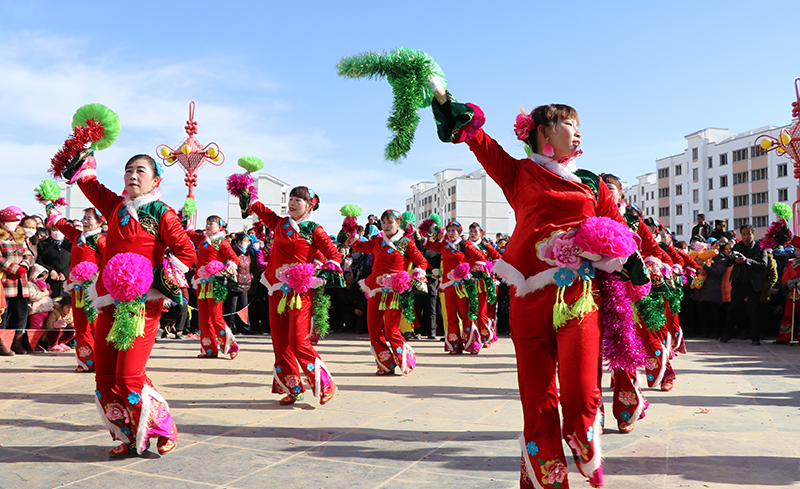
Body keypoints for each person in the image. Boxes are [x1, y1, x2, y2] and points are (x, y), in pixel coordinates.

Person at [431, 92, 642, 487]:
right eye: (569, 125)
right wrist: (443, 95)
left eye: (580, 127)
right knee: (537, 393)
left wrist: (634, 270)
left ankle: (582, 437)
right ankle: (547, 475)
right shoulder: (518, 173)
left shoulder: (593, 183)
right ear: (544, 131)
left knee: (580, 391)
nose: (578, 133)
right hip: (528, 292)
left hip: (577, 295)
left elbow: (619, 233)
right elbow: (478, 139)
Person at [67, 153, 196, 458]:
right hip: (108, 300)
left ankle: (163, 426)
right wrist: (83, 146)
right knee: (106, 377)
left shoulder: (160, 212)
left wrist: (154, 284)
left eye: (140, 171)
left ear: (156, 180)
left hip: (141, 305)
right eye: (128, 171)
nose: (133, 176)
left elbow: (186, 253)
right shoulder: (113, 206)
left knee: (128, 375)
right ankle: (127, 433)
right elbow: (85, 180)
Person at [245, 186, 342, 405]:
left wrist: (316, 279)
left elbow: (334, 256)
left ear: (310, 204)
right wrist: (246, 184)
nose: (292, 203)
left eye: (298, 199)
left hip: (300, 294)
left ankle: (325, 384)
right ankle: (294, 387)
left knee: (298, 342)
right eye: (290, 199)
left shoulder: (314, 229)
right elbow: (258, 207)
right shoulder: (280, 223)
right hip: (276, 291)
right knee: (280, 344)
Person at [347, 209, 429, 374]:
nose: (386, 226)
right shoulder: (377, 241)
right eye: (383, 223)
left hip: (395, 291)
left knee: (392, 331)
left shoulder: (407, 243)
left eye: (390, 222)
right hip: (376, 290)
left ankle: (405, 358)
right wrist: (352, 231)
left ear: (398, 223)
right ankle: (385, 364)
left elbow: (421, 261)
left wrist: (416, 275)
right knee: (374, 330)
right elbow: (359, 246)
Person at [49, 207, 105, 371]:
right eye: (85, 218)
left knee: (96, 324)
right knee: (81, 324)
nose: (85, 221)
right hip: (77, 289)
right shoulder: (77, 236)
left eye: (90, 218)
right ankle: (86, 362)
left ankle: (102, 361)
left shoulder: (101, 241)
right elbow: (60, 223)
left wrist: (96, 274)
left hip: (94, 289)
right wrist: (49, 204)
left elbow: (110, 260)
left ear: (100, 222)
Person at [424, 221, 489, 354]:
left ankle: (472, 344)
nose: (451, 233)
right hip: (448, 286)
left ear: (459, 232)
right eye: (449, 230)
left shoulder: (465, 244)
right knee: (451, 316)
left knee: (466, 314)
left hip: (463, 286)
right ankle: (455, 345)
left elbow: (480, 257)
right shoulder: (444, 245)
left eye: (454, 230)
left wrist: (470, 271)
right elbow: (427, 244)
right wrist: (415, 233)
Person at [186, 216, 240, 358]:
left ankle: (231, 347)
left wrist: (228, 268)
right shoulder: (202, 240)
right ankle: (209, 350)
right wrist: (187, 215)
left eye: (212, 224)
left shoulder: (222, 242)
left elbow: (234, 258)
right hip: (201, 282)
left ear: (220, 227)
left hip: (216, 283)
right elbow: (190, 233)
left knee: (216, 317)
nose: (208, 226)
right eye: (207, 223)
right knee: (203, 318)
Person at [722, 224, 767, 345]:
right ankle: (726, 335)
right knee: (732, 310)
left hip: (753, 284)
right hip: (738, 283)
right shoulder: (737, 246)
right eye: (744, 234)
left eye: (748, 234)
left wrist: (747, 260)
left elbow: (763, 264)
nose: (746, 237)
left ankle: (755, 338)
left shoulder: (760, 247)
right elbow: (727, 263)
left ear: (753, 234)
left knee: (753, 311)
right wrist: (731, 258)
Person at [0, 206, 34, 355]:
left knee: (21, 313)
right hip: (6, 282)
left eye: (15, 221)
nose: (14, 224)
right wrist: (13, 269)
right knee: (4, 314)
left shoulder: (20, 237)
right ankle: (3, 344)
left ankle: (17, 342)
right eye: (11, 221)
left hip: (21, 282)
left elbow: (28, 255)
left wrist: (24, 267)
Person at [467, 222, 502, 346]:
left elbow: (497, 257)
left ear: (481, 232)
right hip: (469, 282)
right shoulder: (465, 245)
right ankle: (473, 337)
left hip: (484, 282)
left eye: (475, 231)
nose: (472, 234)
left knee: (484, 311)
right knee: (471, 311)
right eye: (470, 231)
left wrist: (490, 268)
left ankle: (486, 336)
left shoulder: (485, 245)